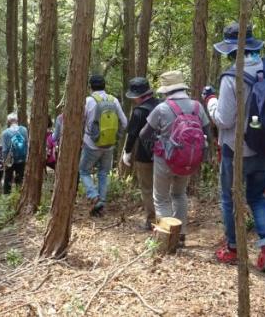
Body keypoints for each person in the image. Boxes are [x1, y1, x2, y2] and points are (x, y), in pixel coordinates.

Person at [203, 22, 265, 273]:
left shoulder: (231, 76)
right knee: (257, 196)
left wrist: (210, 101)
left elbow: (224, 119)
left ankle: (234, 247)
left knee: (229, 198)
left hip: (236, 152)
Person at [140, 70, 208, 243]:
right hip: (188, 160)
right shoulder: (197, 107)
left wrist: (159, 135)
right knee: (179, 194)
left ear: (166, 90)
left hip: (165, 159)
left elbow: (143, 134)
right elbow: (208, 133)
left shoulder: (162, 108)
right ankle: (182, 233)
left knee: (161, 198)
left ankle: (167, 238)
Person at [79, 74, 127, 216]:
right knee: (103, 173)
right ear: (104, 86)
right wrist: (116, 135)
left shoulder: (88, 101)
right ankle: (102, 201)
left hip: (91, 144)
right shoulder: (114, 100)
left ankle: (94, 196)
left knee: (84, 171)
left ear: (90, 87)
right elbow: (124, 122)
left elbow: (80, 121)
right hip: (109, 145)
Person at [120, 77, 160, 230]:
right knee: (163, 189)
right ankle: (167, 219)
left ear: (138, 95)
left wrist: (127, 152)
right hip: (165, 154)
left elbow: (132, 134)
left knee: (147, 188)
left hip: (145, 155)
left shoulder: (139, 111)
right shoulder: (161, 104)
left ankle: (151, 221)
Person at [1, 112, 28, 194]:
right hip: (22, 157)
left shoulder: (5, 133)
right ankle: (20, 195)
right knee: (20, 178)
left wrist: (5, 161)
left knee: (8, 179)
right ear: (17, 120)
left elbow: (5, 149)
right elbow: (27, 143)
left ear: (8, 121)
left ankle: (6, 198)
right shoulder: (24, 130)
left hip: (10, 160)